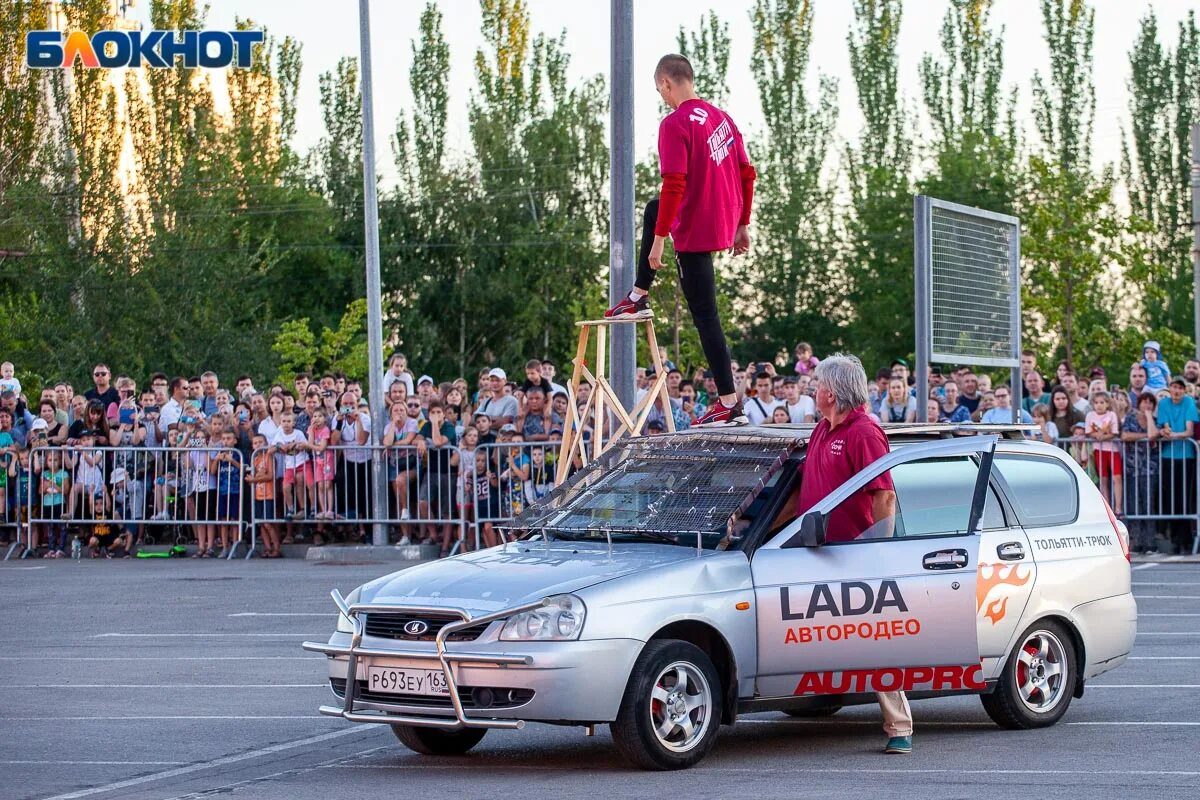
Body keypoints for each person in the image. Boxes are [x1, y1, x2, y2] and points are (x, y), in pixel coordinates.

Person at [603, 54, 756, 427]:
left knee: (706, 316)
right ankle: (638, 295)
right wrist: (742, 224)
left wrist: (658, 242)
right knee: (654, 209)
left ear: (668, 84)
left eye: (661, 91)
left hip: (695, 228)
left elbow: (675, 182)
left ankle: (728, 401)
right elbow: (747, 172)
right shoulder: (722, 118)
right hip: (721, 220)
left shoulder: (674, 124)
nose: (663, 98)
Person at [792, 354, 909, 755]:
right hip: (817, 553)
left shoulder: (864, 433)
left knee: (875, 641)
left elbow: (885, 496)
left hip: (856, 555)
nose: (812, 389)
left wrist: (878, 552)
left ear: (832, 391)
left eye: (817, 383)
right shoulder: (822, 430)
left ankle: (899, 726)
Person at [1155, 377, 1198, 553]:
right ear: (1170, 389)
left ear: (1184, 390)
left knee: (1184, 498)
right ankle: (1172, 538)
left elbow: (1189, 430)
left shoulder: (1188, 402)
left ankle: (1185, 539)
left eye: (1180, 388)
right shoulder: (1164, 404)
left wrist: (1173, 435)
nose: (1177, 391)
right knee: (1169, 498)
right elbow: (1165, 428)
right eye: (1174, 387)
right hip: (1168, 456)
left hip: (1186, 455)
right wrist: (1166, 432)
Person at [1121, 393, 1159, 553]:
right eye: (1144, 402)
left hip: (1149, 467)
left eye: (1150, 403)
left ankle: (1150, 543)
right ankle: (1136, 542)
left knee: (1148, 505)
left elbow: (1153, 435)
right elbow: (1125, 435)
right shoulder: (1130, 418)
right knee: (1134, 504)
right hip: (1132, 466)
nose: (1147, 405)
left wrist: (1149, 417)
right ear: (1139, 403)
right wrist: (1144, 436)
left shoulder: (1155, 421)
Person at [1086, 391, 1122, 514]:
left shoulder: (1111, 414)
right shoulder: (1090, 415)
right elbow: (1089, 432)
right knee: (1103, 479)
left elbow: (1114, 432)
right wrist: (1097, 435)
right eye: (1096, 403)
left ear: (1107, 404)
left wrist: (1103, 437)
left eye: (1102, 402)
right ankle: (1107, 509)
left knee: (1117, 477)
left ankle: (1118, 507)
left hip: (1112, 450)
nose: (1099, 405)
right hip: (1098, 451)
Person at [247, 433, 281, 558]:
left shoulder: (269, 456)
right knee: (261, 523)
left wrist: (254, 479)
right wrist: (255, 478)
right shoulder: (255, 459)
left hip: (269, 494)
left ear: (266, 443)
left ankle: (276, 547)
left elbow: (270, 475)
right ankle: (267, 548)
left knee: (268, 523)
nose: (258, 445)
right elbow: (255, 475)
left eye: (260, 442)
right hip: (258, 494)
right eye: (255, 443)